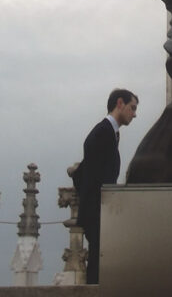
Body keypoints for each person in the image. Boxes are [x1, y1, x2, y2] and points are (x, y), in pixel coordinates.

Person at [75, 88, 138, 284]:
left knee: (100, 261)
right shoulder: (103, 133)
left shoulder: (108, 133)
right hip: (98, 211)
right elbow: (91, 174)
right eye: (132, 107)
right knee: (98, 264)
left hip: (98, 209)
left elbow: (82, 171)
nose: (134, 114)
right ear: (120, 103)